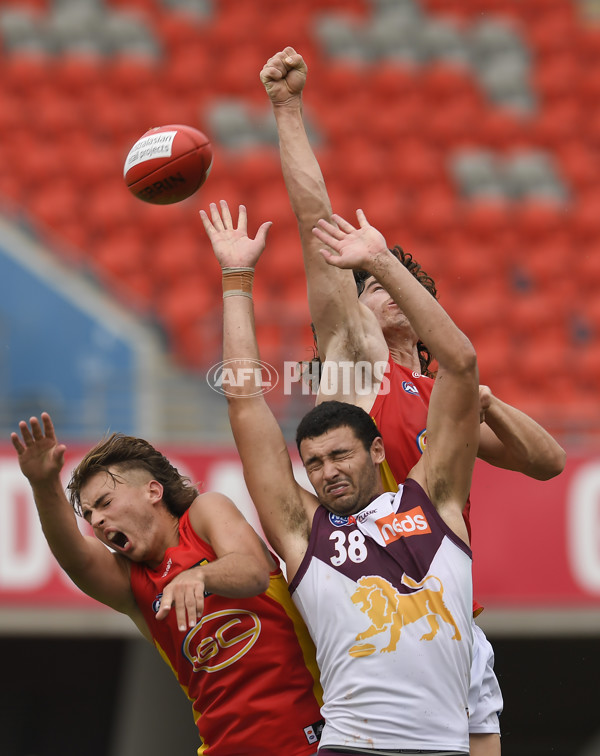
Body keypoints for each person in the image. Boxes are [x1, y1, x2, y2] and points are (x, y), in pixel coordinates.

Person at [260, 47, 567, 756]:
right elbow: (316, 219)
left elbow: (547, 461)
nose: (368, 293)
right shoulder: (352, 364)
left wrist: (483, 402)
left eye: (383, 284)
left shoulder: (443, 397)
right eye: (366, 282)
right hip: (366, 609)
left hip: (448, 617)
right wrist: (287, 109)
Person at [200, 199, 481, 755]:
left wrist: (382, 262)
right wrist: (236, 280)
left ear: (378, 449)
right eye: (314, 463)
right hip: (351, 746)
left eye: (340, 456)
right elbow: (244, 403)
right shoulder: (306, 534)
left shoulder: (436, 499)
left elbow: (462, 366)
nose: (327, 473)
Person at [11, 416, 324, 756]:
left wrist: (199, 576)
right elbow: (75, 558)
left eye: (104, 503)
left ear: (153, 491)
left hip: (308, 742)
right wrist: (43, 484)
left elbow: (253, 571)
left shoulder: (205, 513)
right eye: (89, 516)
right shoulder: (135, 586)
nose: (97, 521)